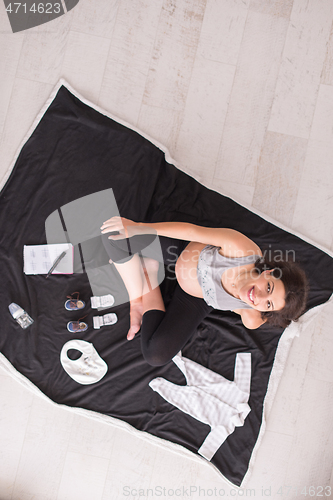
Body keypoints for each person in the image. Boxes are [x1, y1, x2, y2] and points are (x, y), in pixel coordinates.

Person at [100, 217, 308, 366]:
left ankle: (150, 273)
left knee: (155, 355)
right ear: (269, 272)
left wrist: (287, 317)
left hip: (197, 298)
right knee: (114, 235)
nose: (259, 297)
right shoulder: (242, 250)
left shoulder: (252, 316)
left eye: (269, 303)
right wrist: (138, 227)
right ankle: (136, 300)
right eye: (269, 287)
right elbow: (192, 231)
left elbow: (272, 317)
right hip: (182, 253)